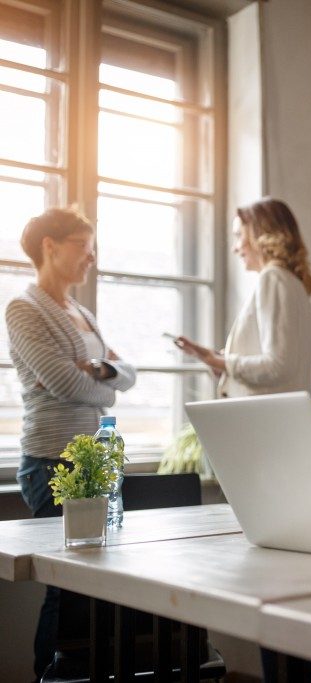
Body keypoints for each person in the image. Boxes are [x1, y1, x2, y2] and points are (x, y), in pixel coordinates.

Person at [6, 207, 137, 680]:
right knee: (65, 585)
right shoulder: (24, 308)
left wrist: (98, 373)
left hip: (94, 463)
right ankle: (49, 674)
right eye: (84, 246)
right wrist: (105, 384)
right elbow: (65, 384)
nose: (92, 258)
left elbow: (129, 372)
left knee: (93, 583)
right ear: (50, 247)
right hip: (50, 462)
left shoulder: (81, 312)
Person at [174, 198, 311, 397]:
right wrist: (220, 360)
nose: (235, 247)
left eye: (239, 235)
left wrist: (215, 360)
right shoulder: (292, 283)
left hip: (268, 420)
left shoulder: (272, 278)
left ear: (260, 234)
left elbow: (277, 366)